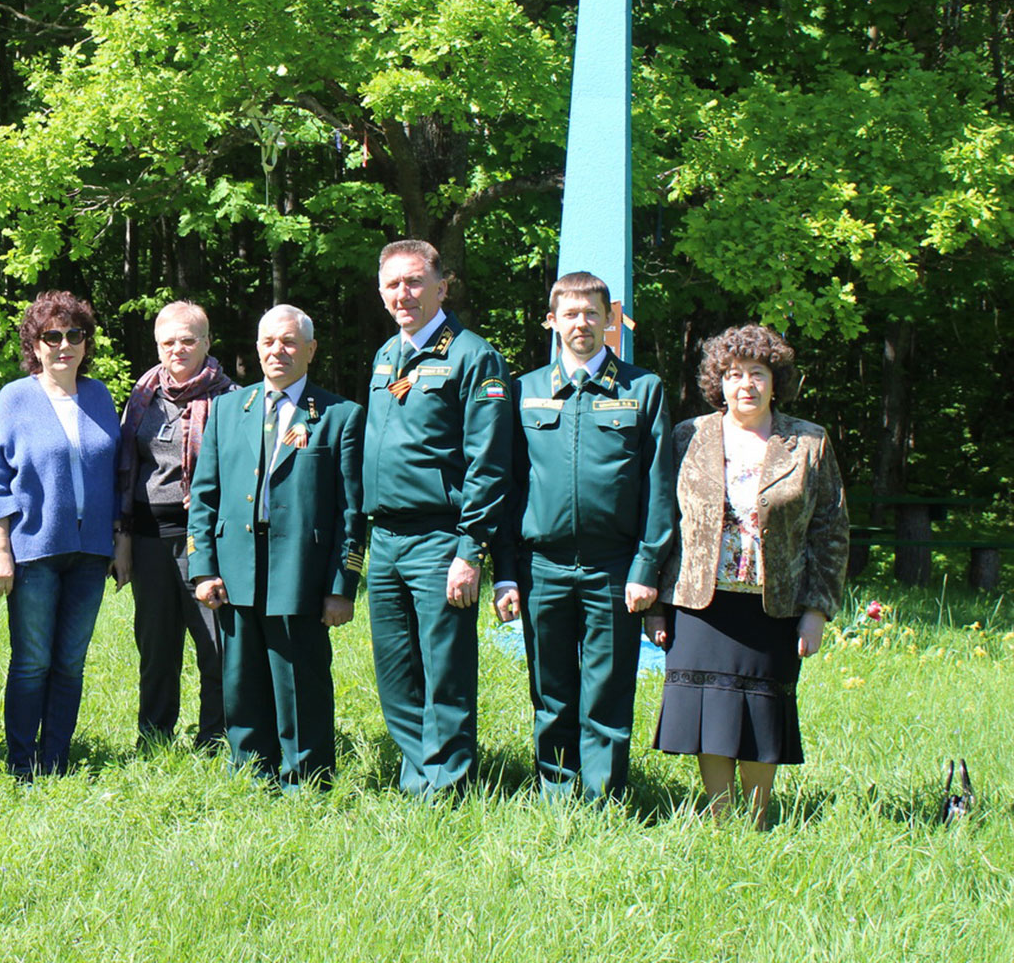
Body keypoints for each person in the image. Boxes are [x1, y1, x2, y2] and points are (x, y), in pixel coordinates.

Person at [646, 324, 848, 827]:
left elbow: (831, 530)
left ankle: (757, 820)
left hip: (773, 601)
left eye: (757, 373)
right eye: (734, 374)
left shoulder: (809, 442)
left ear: (775, 381)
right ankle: (720, 818)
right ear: (719, 382)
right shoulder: (687, 436)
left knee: (763, 711)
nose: (746, 385)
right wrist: (655, 606)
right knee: (710, 712)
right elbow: (661, 519)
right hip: (699, 600)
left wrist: (817, 611)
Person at [495, 273, 674, 801]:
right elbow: (505, 486)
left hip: (613, 566)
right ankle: (557, 792)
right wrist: (505, 571)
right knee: (551, 691)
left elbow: (659, 487)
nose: (582, 324)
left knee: (608, 690)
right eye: (570, 314)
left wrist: (647, 567)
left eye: (593, 313)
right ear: (551, 321)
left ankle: (602, 797)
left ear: (610, 319)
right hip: (541, 566)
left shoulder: (642, 389)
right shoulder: (524, 391)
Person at [360, 239, 512, 795]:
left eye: (415, 281)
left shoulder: (474, 357)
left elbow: (489, 462)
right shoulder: (386, 355)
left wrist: (471, 550)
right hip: (386, 539)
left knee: (444, 670)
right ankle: (417, 777)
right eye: (392, 284)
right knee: (396, 670)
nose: (403, 293)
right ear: (381, 293)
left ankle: (447, 786)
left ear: (441, 288)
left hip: (440, 539)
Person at [188, 306, 363, 788]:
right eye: (268, 342)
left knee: (299, 678)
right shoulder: (228, 409)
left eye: (288, 342)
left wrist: (341, 586)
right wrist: (203, 568)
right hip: (236, 566)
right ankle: (250, 772)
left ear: (310, 350)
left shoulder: (339, 416)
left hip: (301, 569)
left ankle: (306, 777)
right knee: (240, 678)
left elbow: (350, 510)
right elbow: (204, 496)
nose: (277, 351)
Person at [0, 290, 120, 780]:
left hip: (91, 552)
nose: (64, 345)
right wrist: (0, 547)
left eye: (74, 335)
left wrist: (119, 541)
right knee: (32, 661)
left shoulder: (100, 396)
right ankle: (22, 762)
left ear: (86, 343)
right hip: (34, 549)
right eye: (52, 336)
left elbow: (118, 473)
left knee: (70, 662)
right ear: (35, 345)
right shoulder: (15, 398)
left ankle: (56, 759)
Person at [113, 300, 237, 750]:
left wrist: (211, 492)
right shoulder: (143, 395)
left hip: (205, 540)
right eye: (168, 342)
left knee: (215, 645)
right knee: (155, 647)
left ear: (207, 342)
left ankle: (215, 739)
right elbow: (125, 468)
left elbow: (245, 470)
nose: (177, 350)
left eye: (188, 340)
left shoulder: (231, 399)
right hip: (148, 540)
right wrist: (123, 539)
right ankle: (154, 737)